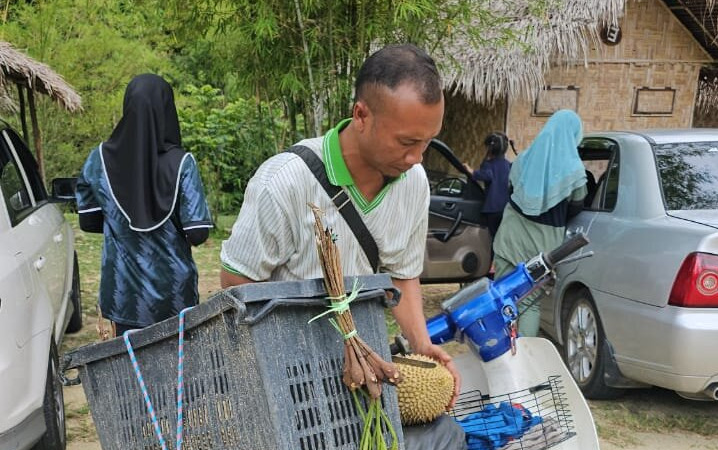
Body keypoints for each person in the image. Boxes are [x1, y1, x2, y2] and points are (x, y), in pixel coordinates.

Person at [220, 43, 459, 401]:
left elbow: (402, 273)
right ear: (361, 115)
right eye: (407, 142)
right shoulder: (284, 183)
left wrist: (421, 343)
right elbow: (237, 285)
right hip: (288, 377)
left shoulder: (415, 182)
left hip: (366, 374)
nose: (416, 157)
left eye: (426, 142)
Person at [76, 74, 213, 336]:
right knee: (179, 373)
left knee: (129, 374)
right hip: (175, 298)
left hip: (121, 297)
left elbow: (88, 220)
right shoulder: (182, 163)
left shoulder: (99, 159)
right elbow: (198, 232)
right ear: (167, 110)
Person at [493, 109, 587, 337]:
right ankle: (524, 358)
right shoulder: (575, 172)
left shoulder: (523, 160)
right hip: (543, 246)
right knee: (529, 303)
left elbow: (511, 191)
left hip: (510, 237)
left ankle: (500, 353)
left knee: (503, 296)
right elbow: (577, 206)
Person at [468, 131, 514, 244]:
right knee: (501, 237)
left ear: (489, 148)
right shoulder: (508, 165)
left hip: (492, 209)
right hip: (505, 207)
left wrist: (471, 171)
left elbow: (487, 176)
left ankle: (492, 259)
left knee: (491, 238)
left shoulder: (488, 164)